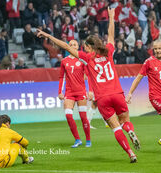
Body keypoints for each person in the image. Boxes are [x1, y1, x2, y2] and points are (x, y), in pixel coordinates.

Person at [37, 8, 140, 163]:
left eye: (85, 46)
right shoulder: (109, 51)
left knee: (115, 128)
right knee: (125, 121)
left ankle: (131, 154)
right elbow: (111, 35)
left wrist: (47, 35)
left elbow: (65, 47)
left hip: (103, 98)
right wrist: (111, 18)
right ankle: (130, 131)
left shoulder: (87, 57)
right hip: (117, 93)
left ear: (90, 47)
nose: (83, 48)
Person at [58, 40, 91, 148]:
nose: (72, 46)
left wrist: (90, 90)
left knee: (83, 117)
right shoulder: (64, 61)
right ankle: (77, 139)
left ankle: (88, 140)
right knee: (68, 115)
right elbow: (61, 77)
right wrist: (60, 92)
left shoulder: (82, 60)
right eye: (70, 44)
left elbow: (89, 75)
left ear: (78, 47)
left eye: (74, 44)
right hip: (69, 92)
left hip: (81, 91)